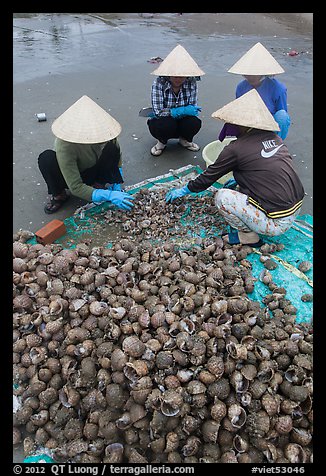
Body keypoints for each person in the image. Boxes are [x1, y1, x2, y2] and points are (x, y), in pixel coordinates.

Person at [165, 89, 304, 247]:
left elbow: (208, 177)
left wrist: (184, 190)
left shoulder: (235, 148)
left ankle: (249, 236)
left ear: (240, 124)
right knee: (240, 181)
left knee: (222, 197)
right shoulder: (274, 137)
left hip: (275, 222)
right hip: (294, 209)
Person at [38, 95, 134, 214]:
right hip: (72, 175)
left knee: (111, 149)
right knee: (46, 159)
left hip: (93, 171)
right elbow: (76, 186)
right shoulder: (65, 145)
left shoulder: (108, 135)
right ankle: (59, 195)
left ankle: (98, 185)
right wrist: (108, 195)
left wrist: (116, 183)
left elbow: (117, 160)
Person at [219, 42, 291, 142]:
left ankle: (276, 142)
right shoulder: (241, 87)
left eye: (252, 74)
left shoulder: (278, 89)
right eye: (246, 74)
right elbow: (238, 110)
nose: (248, 77)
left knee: (282, 116)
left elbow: (282, 114)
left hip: (269, 124)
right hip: (249, 121)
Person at [147, 44, 205, 156]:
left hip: (182, 120)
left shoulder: (191, 81)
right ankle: (161, 142)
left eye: (182, 76)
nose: (178, 79)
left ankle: (185, 140)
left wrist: (186, 111)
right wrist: (178, 111)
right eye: (175, 76)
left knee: (194, 122)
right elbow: (158, 111)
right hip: (164, 120)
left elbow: (192, 107)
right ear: (168, 74)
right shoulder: (159, 83)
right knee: (165, 124)